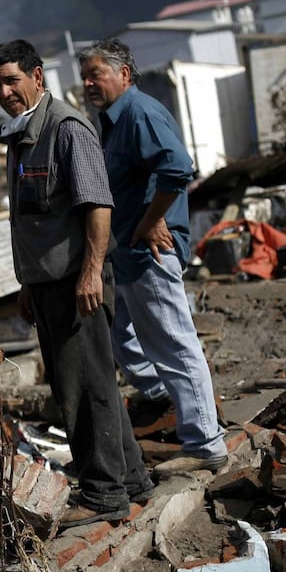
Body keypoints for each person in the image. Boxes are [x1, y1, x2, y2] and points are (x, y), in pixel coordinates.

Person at [0, 40, 153, 527]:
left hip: (78, 282)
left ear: (37, 76)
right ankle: (133, 481)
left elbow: (97, 207)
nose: (4, 92)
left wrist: (90, 272)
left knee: (83, 390)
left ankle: (102, 494)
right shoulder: (21, 135)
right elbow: (34, 221)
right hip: (48, 283)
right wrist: (28, 285)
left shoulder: (66, 129)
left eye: (12, 81)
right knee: (88, 381)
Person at [77, 38, 228, 476]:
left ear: (124, 74)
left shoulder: (139, 113)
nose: (88, 83)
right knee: (118, 336)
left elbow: (178, 168)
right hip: (126, 252)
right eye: (84, 76)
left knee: (175, 346)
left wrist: (149, 220)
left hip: (150, 250)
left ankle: (205, 443)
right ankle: (162, 398)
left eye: (96, 74)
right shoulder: (110, 120)